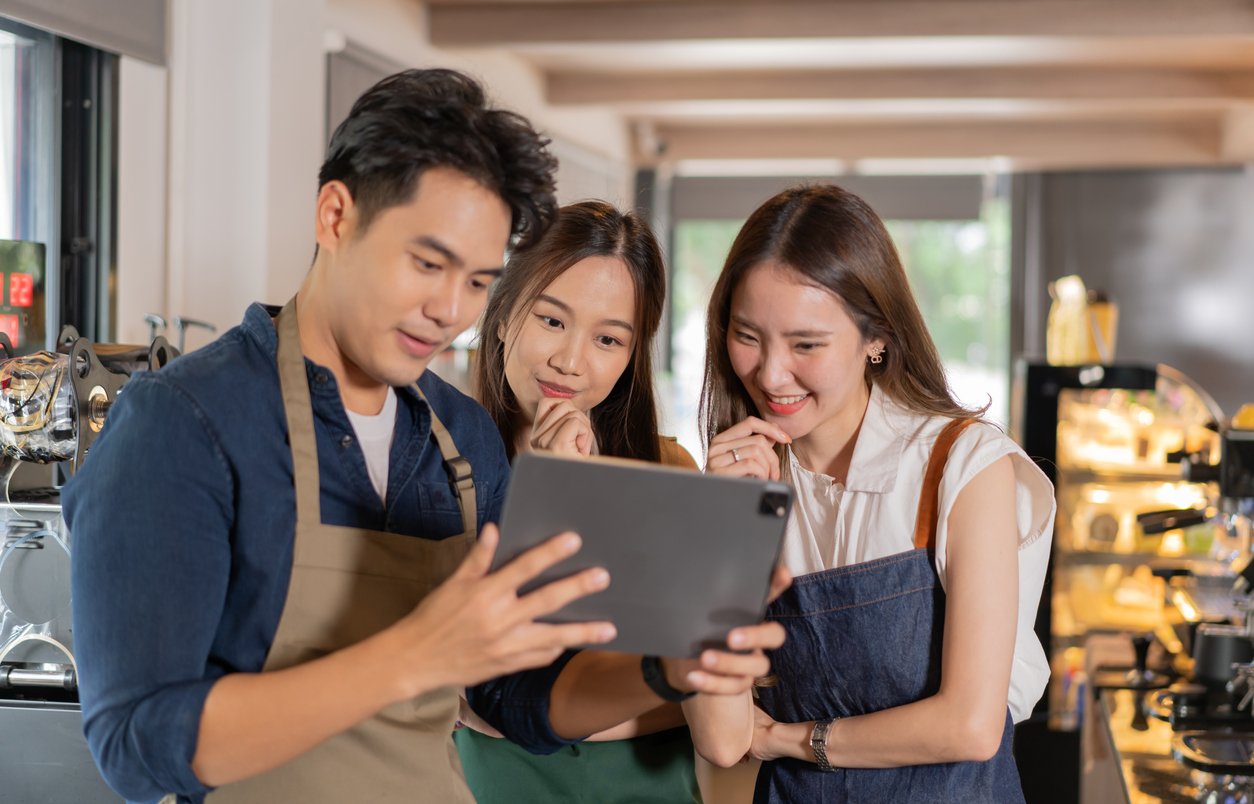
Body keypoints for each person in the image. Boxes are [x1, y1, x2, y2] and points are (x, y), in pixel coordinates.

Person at [64, 69, 777, 804]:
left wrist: (669, 670)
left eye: (476, 281)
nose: (449, 310)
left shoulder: (459, 437)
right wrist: (413, 656)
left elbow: (521, 699)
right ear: (336, 216)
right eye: (428, 264)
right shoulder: (185, 422)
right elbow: (135, 746)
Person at [683, 184, 1055, 802]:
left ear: (875, 337)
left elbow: (968, 725)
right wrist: (720, 534)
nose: (771, 375)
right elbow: (723, 740)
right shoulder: (741, 481)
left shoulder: (963, 466)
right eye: (748, 335)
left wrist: (790, 741)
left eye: (806, 345)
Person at [455, 200, 706, 802]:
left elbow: (712, 696)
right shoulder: (438, 470)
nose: (570, 362)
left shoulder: (671, 474)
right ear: (503, 312)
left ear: (631, 357)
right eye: (551, 320)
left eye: (608, 338)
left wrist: (510, 716)